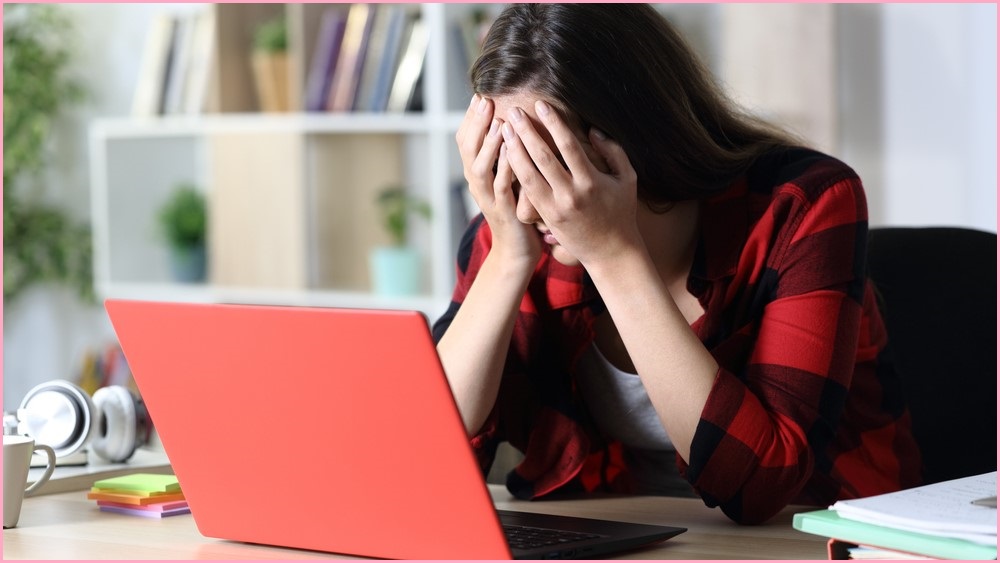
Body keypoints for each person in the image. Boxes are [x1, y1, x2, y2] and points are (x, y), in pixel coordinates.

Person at [432, 4, 921, 525]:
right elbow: (425, 457)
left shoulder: (803, 204)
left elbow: (761, 486)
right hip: (628, 530)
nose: (529, 206)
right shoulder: (512, 228)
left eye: (549, 168)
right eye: (509, 167)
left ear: (637, 139)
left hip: (823, 534)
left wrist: (613, 254)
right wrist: (507, 258)